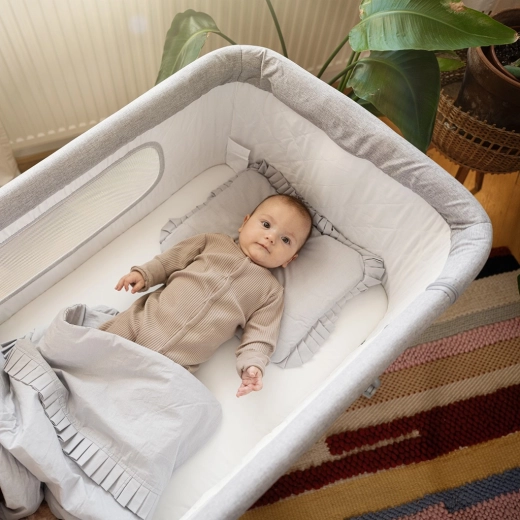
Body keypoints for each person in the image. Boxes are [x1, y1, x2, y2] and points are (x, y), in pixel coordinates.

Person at [99, 194, 313, 397]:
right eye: (266, 224)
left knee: (145, 399)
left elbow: (261, 335)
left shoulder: (271, 292)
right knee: (98, 351)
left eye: (286, 240)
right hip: (141, 322)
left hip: (177, 363)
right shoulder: (212, 243)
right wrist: (144, 274)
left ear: (290, 259)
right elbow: (169, 261)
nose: (271, 237)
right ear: (245, 223)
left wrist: (253, 364)